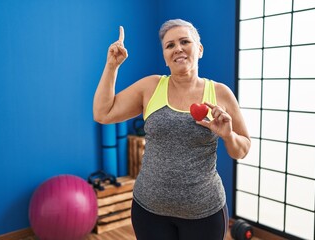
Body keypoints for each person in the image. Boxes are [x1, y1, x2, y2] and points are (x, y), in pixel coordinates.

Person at [93, 19, 251, 240]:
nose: (177, 48)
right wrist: (112, 66)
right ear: (165, 57)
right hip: (149, 211)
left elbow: (241, 150)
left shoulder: (221, 93)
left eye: (185, 41)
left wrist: (228, 135)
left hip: (204, 213)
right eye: (170, 45)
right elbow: (102, 113)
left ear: (200, 49)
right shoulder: (150, 87)